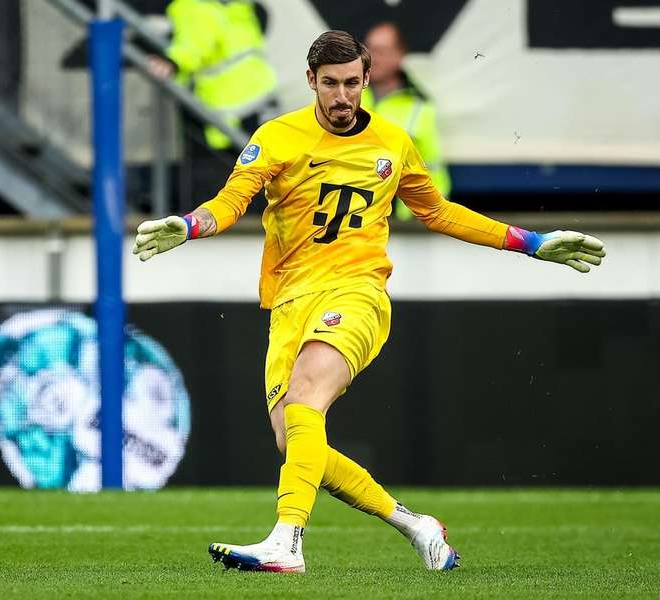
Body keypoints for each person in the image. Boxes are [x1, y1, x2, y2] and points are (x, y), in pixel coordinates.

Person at [132, 30, 605, 573]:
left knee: (306, 396)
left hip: (358, 294)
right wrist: (190, 225)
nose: (342, 96)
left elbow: (439, 212)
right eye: (330, 84)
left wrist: (531, 242)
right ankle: (415, 524)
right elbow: (231, 200)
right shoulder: (278, 137)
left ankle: (286, 541)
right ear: (311, 81)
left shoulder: (392, 141)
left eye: (352, 83)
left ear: (365, 78)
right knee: (296, 444)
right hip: (290, 304)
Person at [148, 0, 277, 150]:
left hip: (241, 108)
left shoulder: (234, 6)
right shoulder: (207, 8)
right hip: (243, 108)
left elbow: (193, 46)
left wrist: (174, 61)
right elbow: (193, 45)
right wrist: (173, 62)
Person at [363, 22, 449, 221]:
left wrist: (419, 222)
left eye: (381, 51)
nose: (373, 57)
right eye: (369, 49)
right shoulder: (344, 96)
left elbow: (432, 170)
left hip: (398, 222)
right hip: (347, 219)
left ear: (399, 55)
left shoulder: (421, 107)